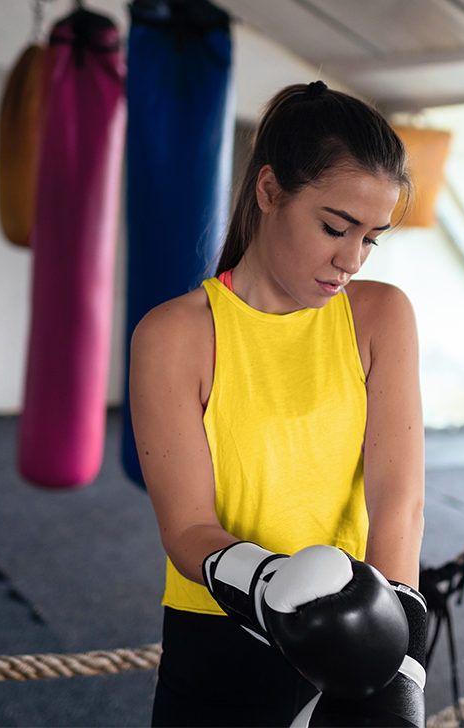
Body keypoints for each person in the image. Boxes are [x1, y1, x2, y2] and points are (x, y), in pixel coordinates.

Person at [129, 80, 427, 726]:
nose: (350, 259)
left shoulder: (380, 316)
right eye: (334, 227)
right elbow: (186, 529)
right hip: (219, 638)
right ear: (269, 191)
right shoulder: (176, 335)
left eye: (371, 238)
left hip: (362, 631)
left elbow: (398, 503)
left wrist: (396, 663)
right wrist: (273, 590)